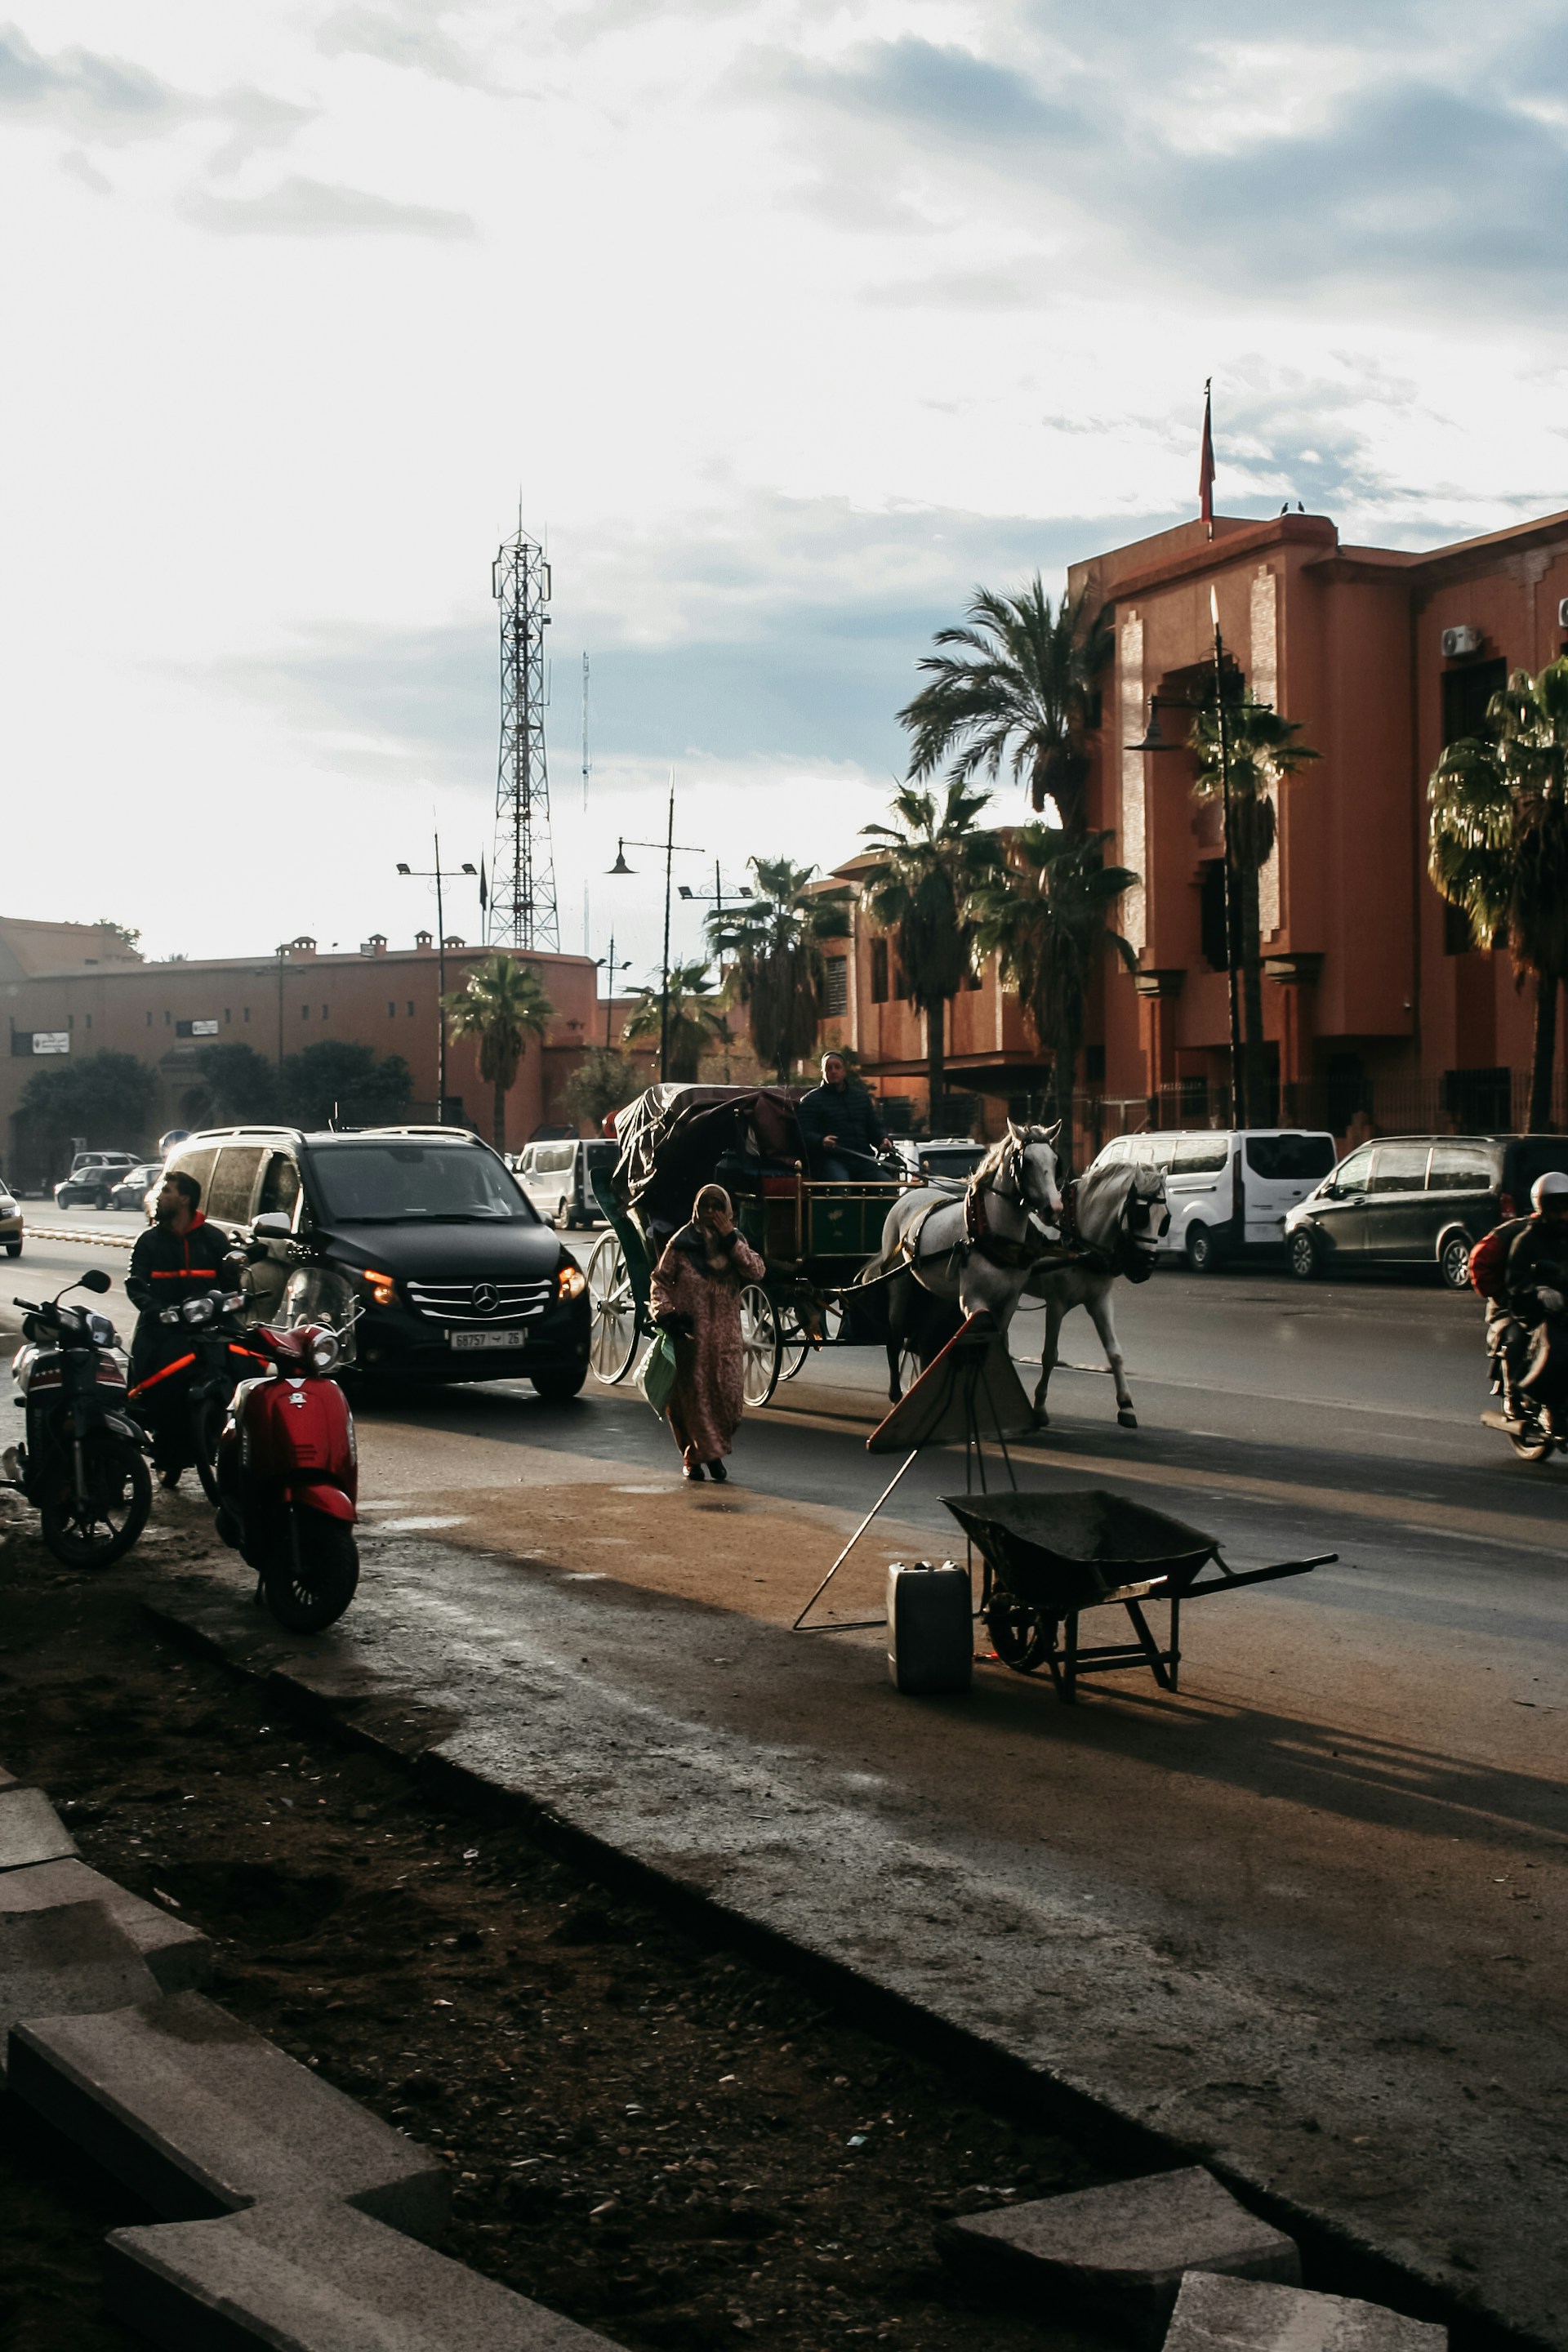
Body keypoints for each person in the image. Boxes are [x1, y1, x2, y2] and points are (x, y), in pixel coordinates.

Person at [649, 1183, 767, 1482]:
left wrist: (729, 1239)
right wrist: (668, 1314)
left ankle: (711, 1451)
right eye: (707, 1207)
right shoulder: (681, 1244)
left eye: (718, 1208)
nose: (712, 1214)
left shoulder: (735, 1243)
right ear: (696, 1209)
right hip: (693, 1340)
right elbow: (659, 1281)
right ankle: (699, 1457)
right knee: (694, 1401)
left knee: (728, 1403)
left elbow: (756, 1271)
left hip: (726, 1341)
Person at [126, 1169, 234, 1486]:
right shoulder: (149, 1241)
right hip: (164, 1327)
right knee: (155, 1380)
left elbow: (231, 1283)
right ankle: (165, 1441)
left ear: (184, 1199)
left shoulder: (213, 1239)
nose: (160, 1197)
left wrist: (235, 1298)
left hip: (210, 1326)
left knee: (247, 1359)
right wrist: (155, 1310)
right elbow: (135, 1284)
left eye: (167, 1191)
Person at [1468, 1169, 1568, 1411]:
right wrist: (1509, 1296)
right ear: (1544, 1205)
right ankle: (1512, 1395)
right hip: (1517, 1304)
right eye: (1558, 1206)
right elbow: (1503, 1274)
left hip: (1561, 1303)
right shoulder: (1522, 1236)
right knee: (1515, 1337)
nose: (1564, 1212)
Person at [795, 1053, 889, 1181]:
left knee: (886, 1184)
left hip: (863, 1159)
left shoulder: (861, 1097)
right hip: (831, 1160)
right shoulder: (810, 1100)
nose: (833, 1071)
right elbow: (802, 1134)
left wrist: (883, 1141)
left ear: (844, 1071)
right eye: (829, 1068)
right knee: (841, 1185)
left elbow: (874, 1127)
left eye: (837, 1067)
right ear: (823, 1072)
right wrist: (820, 1141)